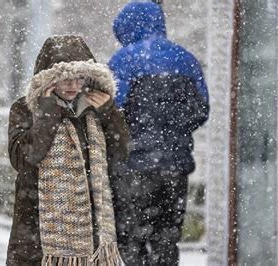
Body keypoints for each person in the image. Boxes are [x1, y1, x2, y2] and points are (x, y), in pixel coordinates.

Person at [6, 35, 129, 265]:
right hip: (37, 230)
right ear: (49, 80)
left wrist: (109, 112)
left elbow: (121, 150)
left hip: (90, 233)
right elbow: (25, 158)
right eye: (65, 79)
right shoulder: (25, 109)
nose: (73, 86)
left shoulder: (95, 108)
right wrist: (47, 112)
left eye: (79, 78)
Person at [108, 2, 210, 265]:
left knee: (130, 239)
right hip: (175, 167)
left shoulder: (123, 60)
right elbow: (201, 110)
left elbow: (112, 113)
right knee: (166, 238)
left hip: (133, 168)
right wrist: (172, 135)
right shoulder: (186, 59)